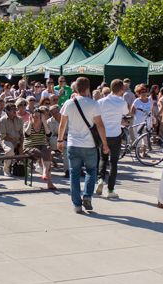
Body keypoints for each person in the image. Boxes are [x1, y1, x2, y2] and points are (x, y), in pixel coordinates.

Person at [58, 77, 109, 214]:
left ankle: (77, 204)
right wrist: (105, 144)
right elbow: (100, 125)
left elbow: (62, 124)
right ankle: (87, 195)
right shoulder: (93, 104)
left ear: (75, 88)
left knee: (74, 174)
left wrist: (60, 140)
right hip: (90, 145)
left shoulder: (68, 103)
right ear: (88, 89)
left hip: (73, 144)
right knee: (91, 171)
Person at [96, 79, 128, 199]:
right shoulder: (121, 102)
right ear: (121, 90)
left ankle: (100, 180)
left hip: (103, 133)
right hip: (115, 134)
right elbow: (126, 112)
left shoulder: (101, 101)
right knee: (114, 162)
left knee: (103, 158)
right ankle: (110, 190)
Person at [24, 108, 55, 190]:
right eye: (35, 116)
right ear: (31, 116)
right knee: (44, 154)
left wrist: (44, 122)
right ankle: (49, 182)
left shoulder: (43, 125)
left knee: (47, 150)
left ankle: (44, 173)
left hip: (42, 146)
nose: (36, 118)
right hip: (30, 147)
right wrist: (30, 123)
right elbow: (27, 135)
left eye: (39, 116)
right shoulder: (27, 124)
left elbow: (48, 135)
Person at [0, 102, 24, 176]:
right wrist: (14, 142)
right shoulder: (2, 120)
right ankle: (6, 169)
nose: (15, 111)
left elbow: (22, 133)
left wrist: (21, 143)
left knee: (27, 148)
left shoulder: (19, 119)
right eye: (13, 110)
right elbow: (3, 135)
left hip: (18, 140)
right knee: (10, 151)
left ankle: (22, 167)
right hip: (6, 140)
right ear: (7, 111)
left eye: (15, 110)